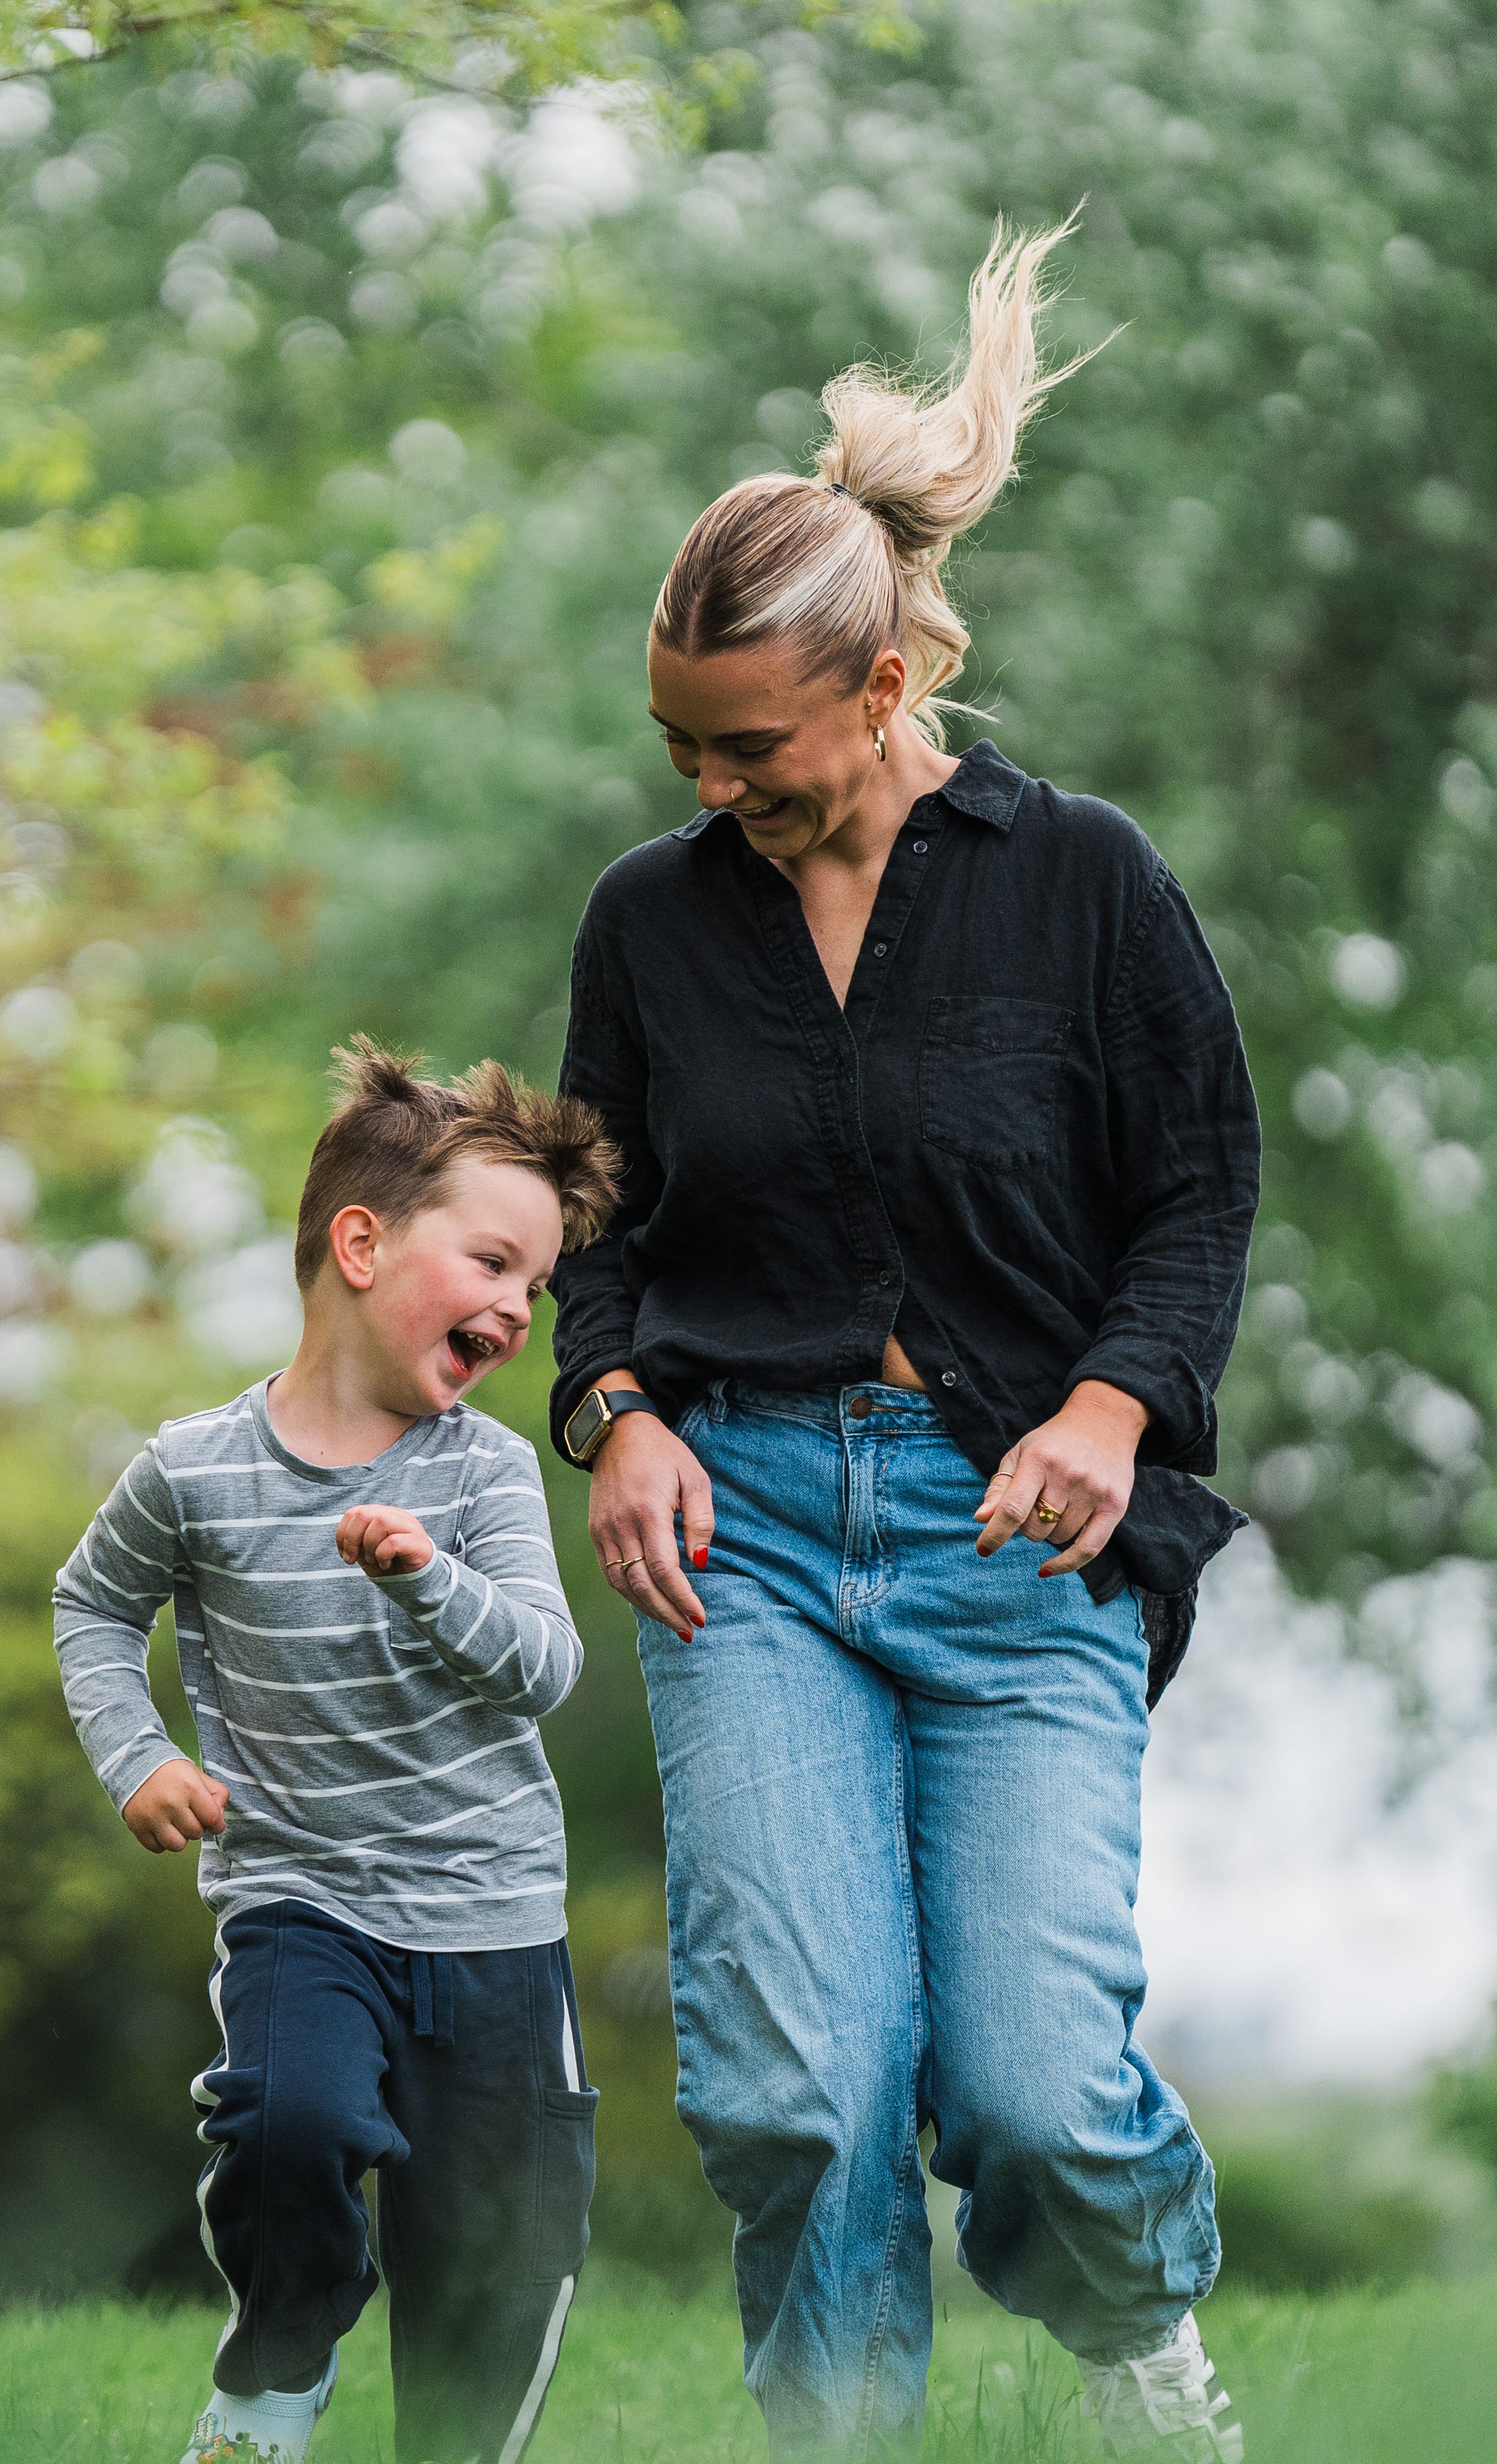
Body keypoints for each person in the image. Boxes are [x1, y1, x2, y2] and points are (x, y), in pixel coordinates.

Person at [548, 220, 1262, 2462]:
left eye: (745, 744)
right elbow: (597, 1218)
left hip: (1019, 1543)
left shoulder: (1084, 879)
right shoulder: (649, 924)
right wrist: (614, 1411)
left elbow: (1200, 1188)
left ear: (878, 689)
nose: (707, 785)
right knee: (804, 2086)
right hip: (744, 1538)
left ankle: (1140, 2343)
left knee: (1034, 2094)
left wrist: (1113, 1409)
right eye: (676, 744)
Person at [55, 1043, 620, 2464]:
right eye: (493, 1262)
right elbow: (92, 1604)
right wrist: (137, 1756)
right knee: (286, 2126)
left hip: (493, 1927)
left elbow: (544, 1665)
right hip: (299, 1903)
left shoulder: (485, 1472)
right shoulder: (195, 1469)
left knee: (499, 2260)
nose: (519, 1307)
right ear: (361, 1247)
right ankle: (272, 2384)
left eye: (537, 1286)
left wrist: (430, 1578)